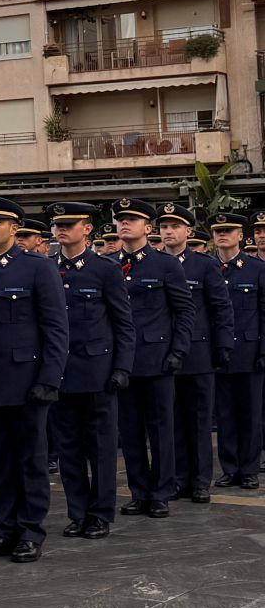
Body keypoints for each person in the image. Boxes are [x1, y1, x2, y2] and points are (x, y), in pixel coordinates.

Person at [0, 197, 68, 562]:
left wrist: (49, 378)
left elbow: (56, 328)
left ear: (14, 228)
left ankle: (30, 531)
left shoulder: (36, 268)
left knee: (30, 459)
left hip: (27, 381)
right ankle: (6, 527)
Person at [49, 201, 134, 538]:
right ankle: (77, 511)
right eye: (58, 225)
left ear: (87, 229)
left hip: (98, 372)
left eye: (70, 224)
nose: (62, 230)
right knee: (68, 448)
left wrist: (122, 367)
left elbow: (123, 323)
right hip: (61, 373)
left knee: (100, 448)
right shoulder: (47, 268)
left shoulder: (105, 269)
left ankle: (100, 513)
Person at [113, 198, 192, 518]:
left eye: (132, 220)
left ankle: (161, 491)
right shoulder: (109, 265)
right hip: (121, 363)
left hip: (157, 359)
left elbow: (184, 311)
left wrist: (178, 351)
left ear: (148, 228)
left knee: (161, 430)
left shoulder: (165, 264)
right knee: (129, 432)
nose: (124, 224)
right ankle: (139, 491)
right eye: (121, 220)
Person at [156, 203, 233, 504]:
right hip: (164, 352)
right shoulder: (155, 263)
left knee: (199, 421)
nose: (169, 231)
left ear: (188, 231)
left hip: (198, 354)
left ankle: (201, 481)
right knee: (171, 421)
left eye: (175, 226)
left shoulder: (203, 265)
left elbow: (221, 307)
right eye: (164, 227)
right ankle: (178, 479)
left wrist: (223, 345)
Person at [211, 209, 264, 489]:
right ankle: (229, 468)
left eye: (228, 231)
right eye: (218, 232)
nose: (222, 235)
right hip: (219, 355)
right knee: (225, 415)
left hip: (249, 352)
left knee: (250, 414)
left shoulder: (257, 269)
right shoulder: (208, 268)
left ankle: (250, 469)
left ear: (240, 236)